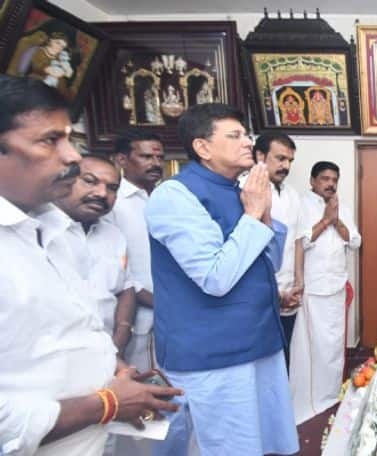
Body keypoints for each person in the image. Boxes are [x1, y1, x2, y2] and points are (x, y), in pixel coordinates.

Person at [0, 75, 180, 456]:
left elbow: (74, 326)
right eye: (50, 140)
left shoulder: (56, 231)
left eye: (69, 139)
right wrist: (109, 403)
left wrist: (112, 369)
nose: (71, 157)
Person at [146, 103, 297, 455]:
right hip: (215, 354)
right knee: (229, 446)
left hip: (259, 342)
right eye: (235, 135)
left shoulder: (240, 191)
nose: (247, 142)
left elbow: (268, 263)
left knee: (262, 442)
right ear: (203, 147)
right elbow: (215, 277)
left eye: (246, 134)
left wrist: (264, 215)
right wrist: (254, 212)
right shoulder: (175, 195)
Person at [291, 161, 361, 424]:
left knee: (333, 345)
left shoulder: (342, 206)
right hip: (312, 288)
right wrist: (326, 220)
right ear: (312, 181)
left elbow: (354, 241)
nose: (330, 184)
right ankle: (311, 397)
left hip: (336, 286)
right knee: (312, 348)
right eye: (324, 179)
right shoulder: (301, 205)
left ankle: (331, 395)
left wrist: (337, 219)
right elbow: (302, 242)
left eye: (334, 179)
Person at [49, 155, 136, 357]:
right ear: (64, 181)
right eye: (90, 181)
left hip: (110, 352)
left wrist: (122, 333)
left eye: (112, 188)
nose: (102, 193)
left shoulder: (114, 235)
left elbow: (125, 287)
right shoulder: (38, 231)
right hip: (56, 358)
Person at [104, 129, 164, 372]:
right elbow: (115, 267)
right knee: (144, 386)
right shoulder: (112, 203)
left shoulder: (164, 198)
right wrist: (154, 301)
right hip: (137, 316)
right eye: (147, 157)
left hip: (172, 313)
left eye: (159, 158)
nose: (156, 163)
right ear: (121, 160)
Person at [246, 132, 305, 369]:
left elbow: (298, 239)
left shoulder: (291, 194)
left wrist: (299, 281)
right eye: (280, 158)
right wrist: (276, 292)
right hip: (261, 292)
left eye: (289, 160)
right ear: (260, 156)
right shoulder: (245, 189)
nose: (286, 166)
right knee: (262, 358)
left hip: (290, 290)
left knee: (285, 353)